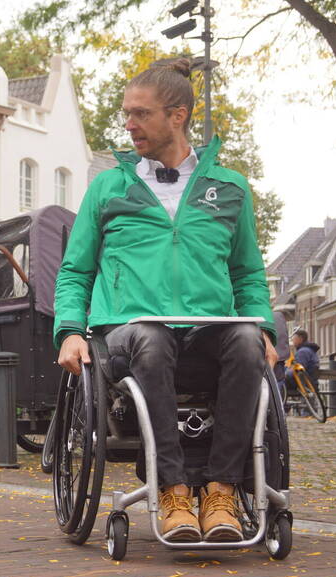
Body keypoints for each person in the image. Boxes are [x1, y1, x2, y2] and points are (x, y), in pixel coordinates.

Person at [55, 58, 277, 543]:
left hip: (207, 333)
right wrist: (70, 330)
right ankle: (173, 492)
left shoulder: (231, 188)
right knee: (152, 339)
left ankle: (221, 490)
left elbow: (246, 272)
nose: (128, 124)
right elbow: (76, 269)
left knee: (244, 340)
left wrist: (264, 327)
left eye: (140, 114)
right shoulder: (108, 187)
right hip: (130, 333)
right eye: (126, 113)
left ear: (177, 115)